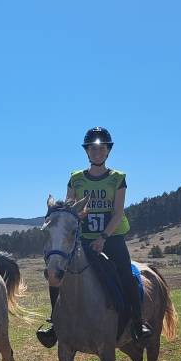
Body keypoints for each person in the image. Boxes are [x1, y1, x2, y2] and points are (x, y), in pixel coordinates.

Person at [38, 126, 151, 347]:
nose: (97, 152)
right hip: (83, 239)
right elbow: (70, 209)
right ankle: (55, 322)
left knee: (126, 275)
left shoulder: (117, 178)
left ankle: (138, 323)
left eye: (101, 149)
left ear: (108, 151)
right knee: (57, 272)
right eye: (92, 149)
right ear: (87, 152)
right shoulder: (76, 179)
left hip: (112, 237)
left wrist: (103, 237)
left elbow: (118, 213)